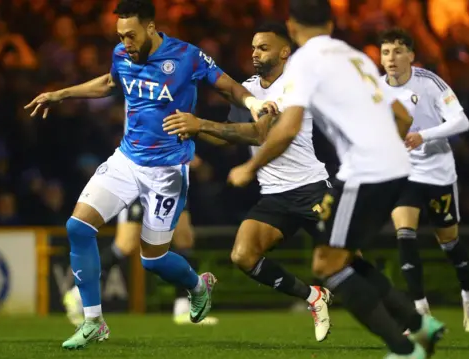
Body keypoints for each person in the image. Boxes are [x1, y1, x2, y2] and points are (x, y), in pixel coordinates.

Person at [25, 0, 275, 349]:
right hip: (126, 161)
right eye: (120, 36)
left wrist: (253, 104)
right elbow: (110, 82)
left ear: (151, 28)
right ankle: (93, 321)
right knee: (77, 227)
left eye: (130, 35)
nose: (125, 42)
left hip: (167, 171)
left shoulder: (186, 57)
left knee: (152, 259)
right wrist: (61, 94)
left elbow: (229, 87)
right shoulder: (121, 54)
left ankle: (197, 286)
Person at [227, 1, 445, 358]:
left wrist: (249, 169)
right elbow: (402, 116)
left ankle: (405, 347)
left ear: (292, 28)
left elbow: (287, 129)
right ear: (330, 23)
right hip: (389, 167)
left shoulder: (304, 64)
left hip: (364, 171)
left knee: (328, 265)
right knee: (341, 258)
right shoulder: (354, 56)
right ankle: (420, 324)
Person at [162, 21, 332, 342]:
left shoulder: (295, 85)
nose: (254, 53)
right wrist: (190, 130)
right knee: (243, 255)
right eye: (253, 47)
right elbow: (227, 136)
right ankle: (313, 297)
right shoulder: (248, 90)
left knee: (344, 264)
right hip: (275, 195)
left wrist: (200, 124)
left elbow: (259, 133)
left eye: (263, 47)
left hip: (311, 188)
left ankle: (408, 319)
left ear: (284, 52)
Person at [378, 28, 469, 333]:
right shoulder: (376, 89)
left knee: (449, 242)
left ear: (411, 55)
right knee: (404, 233)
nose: (391, 59)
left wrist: (424, 135)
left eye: (397, 51)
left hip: (436, 171)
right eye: (385, 53)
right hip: (404, 173)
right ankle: (419, 311)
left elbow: (462, 120)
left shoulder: (429, 82)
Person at [63, 157, 219, 326]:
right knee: (125, 245)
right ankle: (78, 294)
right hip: (141, 174)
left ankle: (182, 308)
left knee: (184, 239)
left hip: (171, 178)